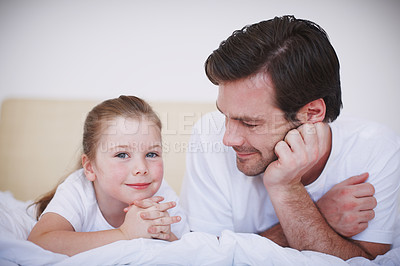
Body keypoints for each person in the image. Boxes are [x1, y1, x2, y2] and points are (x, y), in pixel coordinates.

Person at [180, 15, 400, 260]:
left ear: (312, 113)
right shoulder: (208, 135)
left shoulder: (377, 149)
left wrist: (286, 188)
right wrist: (316, 213)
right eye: (225, 116)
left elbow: (368, 262)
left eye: (250, 123)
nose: (228, 139)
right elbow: (205, 259)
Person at [28, 95, 189, 256]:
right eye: (122, 155)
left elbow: (189, 253)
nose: (141, 169)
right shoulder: (78, 189)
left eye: (152, 154)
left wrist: (165, 236)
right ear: (90, 167)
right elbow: (39, 242)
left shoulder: (163, 196)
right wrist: (124, 234)